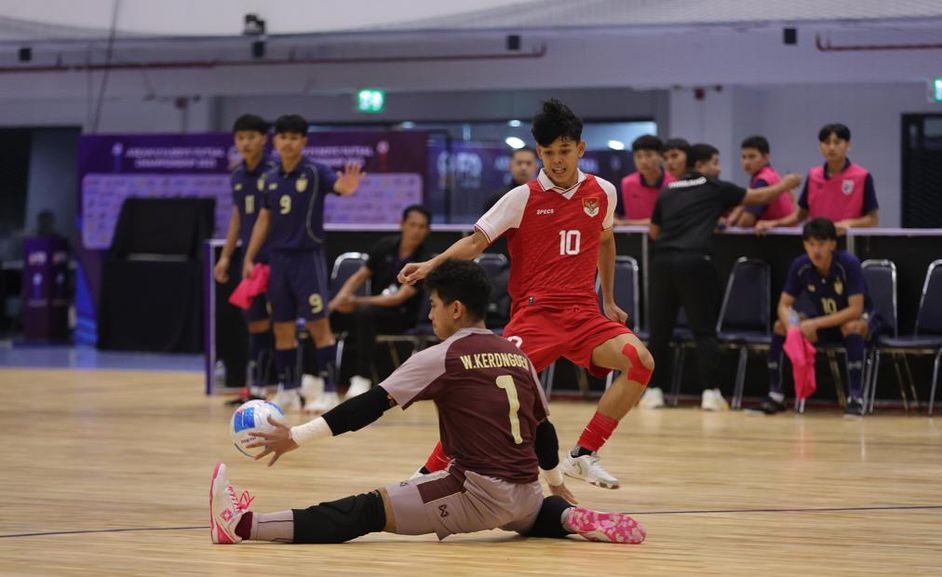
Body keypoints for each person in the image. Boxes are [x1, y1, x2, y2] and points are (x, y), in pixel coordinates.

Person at [210, 260, 646, 546]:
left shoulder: (441, 356)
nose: (432, 314)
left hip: (474, 492)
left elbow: (369, 405)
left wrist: (296, 437)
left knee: (366, 510)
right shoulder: (517, 354)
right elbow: (545, 432)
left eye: (434, 305)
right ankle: (564, 516)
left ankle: (242, 526)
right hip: (528, 495)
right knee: (527, 510)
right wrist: (554, 483)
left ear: (456, 309)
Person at [398, 99, 654, 490]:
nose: (556, 161)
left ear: (580, 149)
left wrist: (609, 299)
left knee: (640, 361)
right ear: (539, 152)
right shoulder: (522, 197)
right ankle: (428, 473)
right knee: (486, 389)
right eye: (548, 153)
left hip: (584, 314)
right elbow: (474, 244)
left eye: (564, 152)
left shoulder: (603, 192)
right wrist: (432, 265)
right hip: (536, 316)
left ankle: (583, 455)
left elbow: (605, 241)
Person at [644, 144, 802, 410]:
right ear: (702, 165)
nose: (718, 168)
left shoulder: (668, 191)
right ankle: (710, 393)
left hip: (662, 263)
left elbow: (653, 231)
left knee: (659, 332)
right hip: (695, 262)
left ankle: (653, 392)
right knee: (704, 330)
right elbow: (759, 197)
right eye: (715, 162)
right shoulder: (713, 187)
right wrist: (786, 184)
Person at [243, 114, 365, 411]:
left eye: (295, 137)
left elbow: (338, 185)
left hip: (307, 259)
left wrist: (346, 188)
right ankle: (288, 389)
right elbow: (264, 219)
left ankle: (328, 391)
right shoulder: (270, 179)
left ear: (303, 141)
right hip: (278, 261)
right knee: (282, 327)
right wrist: (248, 256)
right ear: (276, 140)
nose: (288, 142)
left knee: (318, 325)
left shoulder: (314, 172)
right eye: (283, 136)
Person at [755, 218, 883, 417]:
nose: (816, 250)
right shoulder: (800, 266)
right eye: (811, 244)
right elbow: (783, 305)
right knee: (780, 326)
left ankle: (856, 398)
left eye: (821, 244)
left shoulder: (848, 263)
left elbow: (855, 310)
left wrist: (814, 323)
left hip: (864, 319)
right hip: (826, 319)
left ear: (833, 244)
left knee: (852, 326)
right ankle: (776, 395)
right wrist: (793, 326)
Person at [325, 204, 432, 407]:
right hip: (372, 311)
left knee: (365, 313)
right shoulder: (385, 246)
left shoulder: (425, 259)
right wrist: (338, 302)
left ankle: (362, 378)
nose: (416, 231)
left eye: (422, 227)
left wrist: (355, 302)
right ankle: (320, 378)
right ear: (402, 225)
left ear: (428, 230)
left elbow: (398, 298)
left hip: (401, 316)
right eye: (412, 225)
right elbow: (359, 277)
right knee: (327, 317)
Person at [215, 114, 277, 403]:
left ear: (263, 139)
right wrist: (227, 256)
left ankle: (289, 386)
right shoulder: (238, 175)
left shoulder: (277, 171)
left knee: (284, 323)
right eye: (241, 137)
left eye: (252, 136)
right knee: (255, 323)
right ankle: (257, 388)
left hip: (278, 258)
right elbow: (238, 217)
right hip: (250, 262)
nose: (246, 143)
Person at [756, 123, 879, 235]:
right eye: (826, 142)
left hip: (849, 243)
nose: (831, 147)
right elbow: (800, 215)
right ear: (820, 146)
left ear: (848, 145)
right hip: (816, 245)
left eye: (837, 142)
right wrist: (773, 223)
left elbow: (873, 219)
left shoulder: (863, 176)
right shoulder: (813, 175)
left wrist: (848, 224)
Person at [722, 135, 796, 228]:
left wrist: (730, 224)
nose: (746, 162)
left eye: (752, 157)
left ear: (765, 157)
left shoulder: (762, 180)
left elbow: (746, 222)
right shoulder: (772, 174)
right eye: (743, 157)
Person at [483, 147, 538, 258]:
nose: (523, 167)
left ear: (536, 167)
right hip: (504, 262)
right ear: (510, 166)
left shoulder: (545, 198)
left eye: (528, 163)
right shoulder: (497, 199)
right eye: (519, 163)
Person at [616, 135, 675, 225]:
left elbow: (672, 219)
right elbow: (614, 216)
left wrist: (627, 223)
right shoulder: (626, 184)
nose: (643, 161)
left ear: (661, 157)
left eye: (649, 155)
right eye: (638, 156)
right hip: (633, 237)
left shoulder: (674, 183)